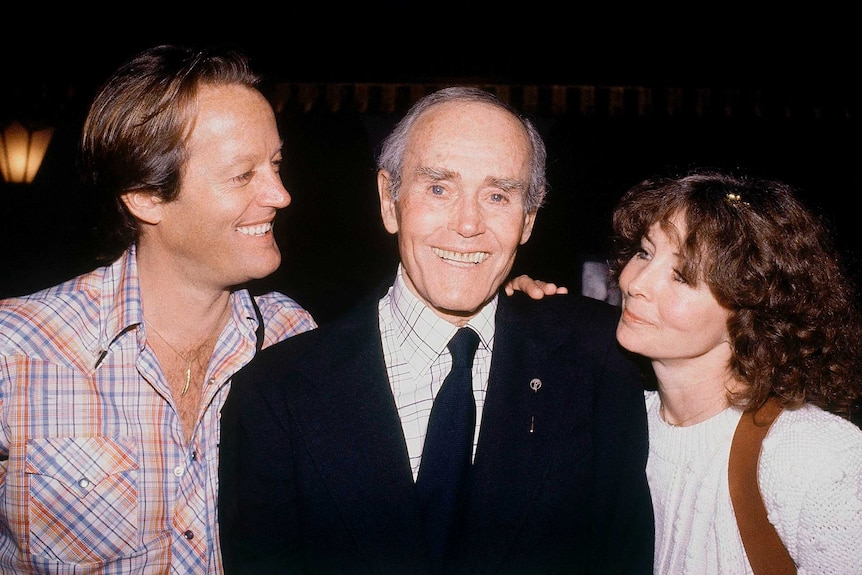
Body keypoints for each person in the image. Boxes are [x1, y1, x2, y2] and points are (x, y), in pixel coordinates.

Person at [218, 86, 655, 574]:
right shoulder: (275, 392)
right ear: (390, 200)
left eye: (497, 195)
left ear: (528, 220)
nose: (468, 224)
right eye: (439, 188)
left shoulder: (597, 360)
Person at [0, 45, 318, 574]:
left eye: (276, 164)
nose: (280, 194)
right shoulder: (16, 349)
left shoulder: (294, 338)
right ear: (145, 196)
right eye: (243, 174)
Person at [608, 168, 862, 573]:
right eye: (644, 251)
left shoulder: (814, 457)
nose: (636, 283)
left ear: (749, 312)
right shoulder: (610, 419)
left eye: (682, 275)